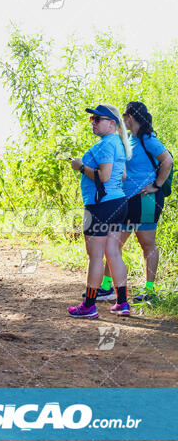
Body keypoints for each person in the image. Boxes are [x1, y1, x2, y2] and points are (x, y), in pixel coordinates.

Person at [98, 102, 173, 303]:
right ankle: (107, 287)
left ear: (130, 116)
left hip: (146, 200)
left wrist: (156, 185)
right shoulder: (129, 139)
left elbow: (167, 161)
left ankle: (149, 290)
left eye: (124, 115)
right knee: (113, 242)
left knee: (147, 245)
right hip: (126, 199)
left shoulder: (148, 138)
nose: (123, 119)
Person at [68, 104, 131, 318]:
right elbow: (121, 176)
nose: (92, 122)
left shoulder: (106, 144)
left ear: (111, 123)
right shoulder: (119, 143)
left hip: (100, 206)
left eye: (97, 119)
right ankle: (122, 303)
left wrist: (80, 166)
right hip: (118, 202)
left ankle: (89, 305)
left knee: (95, 257)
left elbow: (104, 177)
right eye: (92, 119)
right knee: (112, 252)